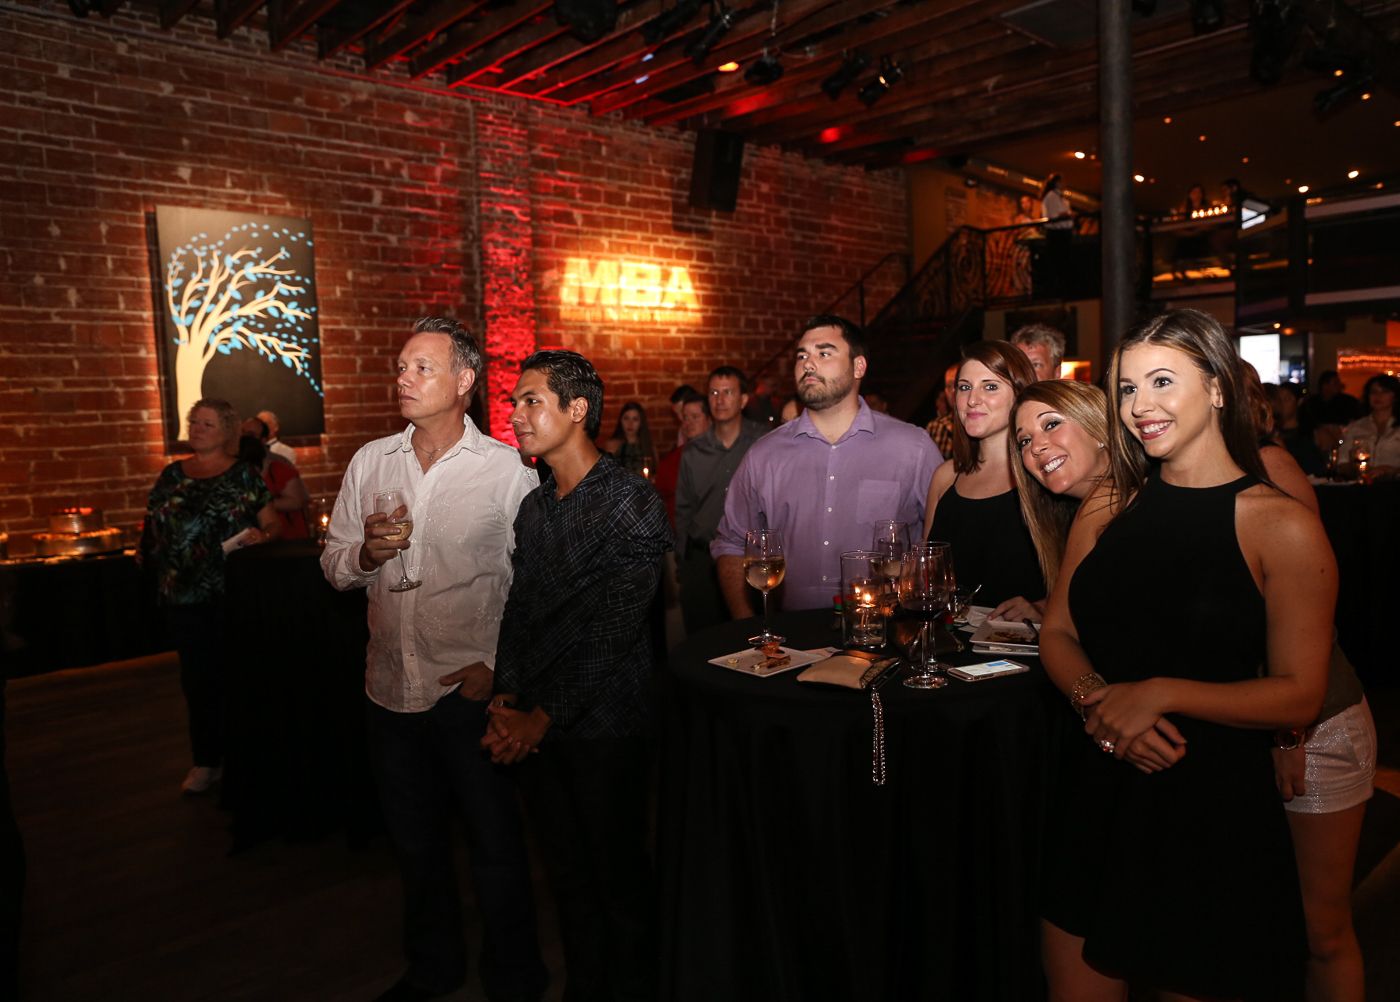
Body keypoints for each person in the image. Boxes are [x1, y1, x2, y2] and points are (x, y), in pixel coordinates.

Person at [1038, 308, 1336, 1000]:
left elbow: (1301, 692)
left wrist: (1160, 693)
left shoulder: (1279, 524)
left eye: (1162, 382)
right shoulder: (1109, 503)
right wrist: (1098, 705)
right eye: (1127, 389)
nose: (1140, 406)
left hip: (1208, 805)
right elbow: (1058, 632)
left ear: (1218, 388)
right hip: (1099, 786)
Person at [320, 317, 546, 1002]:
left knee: (495, 846)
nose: (404, 378)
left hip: (468, 693)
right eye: (401, 367)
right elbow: (333, 564)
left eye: (422, 367)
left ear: (464, 380)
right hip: (389, 690)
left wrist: (501, 672)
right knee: (415, 849)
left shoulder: (507, 470)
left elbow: (535, 588)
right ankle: (433, 970)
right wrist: (365, 555)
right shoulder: (371, 462)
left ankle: (514, 976)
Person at [483, 349, 672, 1002]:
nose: (515, 414)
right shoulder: (535, 509)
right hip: (539, 726)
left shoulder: (630, 501)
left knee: (618, 880)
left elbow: (615, 633)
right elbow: (520, 608)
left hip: (607, 727)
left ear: (577, 409)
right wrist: (506, 696)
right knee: (566, 878)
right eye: (514, 402)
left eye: (530, 400)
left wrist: (540, 717)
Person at [1244, 367, 1376, 1002]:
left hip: (1314, 726)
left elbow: (1305, 610)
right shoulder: (1172, 484)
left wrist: (1289, 734)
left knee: (1321, 929)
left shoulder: (1267, 465)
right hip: (1243, 729)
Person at [712, 315, 941, 614]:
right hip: (791, 636)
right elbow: (731, 543)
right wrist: (746, 625)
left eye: (824, 353)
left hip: (886, 629)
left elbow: (942, 542)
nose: (808, 364)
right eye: (802, 356)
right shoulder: (764, 455)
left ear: (858, 367)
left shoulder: (913, 448)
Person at [141, 398, 279, 794]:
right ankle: (205, 760)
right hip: (182, 594)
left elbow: (272, 524)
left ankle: (244, 760)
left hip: (230, 593)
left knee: (236, 678)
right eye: (194, 422)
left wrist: (261, 536)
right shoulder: (171, 474)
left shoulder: (243, 474)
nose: (197, 429)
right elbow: (152, 526)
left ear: (227, 432)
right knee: (196, 681)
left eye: (207, 424)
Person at [923, 341, 1043, 619]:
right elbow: (927, 573)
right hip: (947, 637)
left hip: (1020, 641)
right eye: (964, 387)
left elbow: (1084, 578)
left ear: (1019, 394)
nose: (972, 400)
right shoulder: (945, 477)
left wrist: (1043, 607)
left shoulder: (1043, 475)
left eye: (990, 387)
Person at [675, 367, 766, 634]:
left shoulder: (764, 443)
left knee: (751, 637)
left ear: (743, 399)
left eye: (728, 392)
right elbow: (683, 511)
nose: (720, 399)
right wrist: (683, 564)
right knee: (703, 641)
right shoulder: (693, 451)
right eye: (714, 393)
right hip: (702, 561)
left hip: (750, 559)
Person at [1009, 380, 1110, 591]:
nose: (1036, 447)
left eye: (1051, 424)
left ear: (1097, 427)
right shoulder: (1071, 517)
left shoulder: (1108, 501)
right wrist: (1042, 605)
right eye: (1025, 441)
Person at [239, 418, 310, 538]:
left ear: (263, 440)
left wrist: (256, 503)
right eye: (242, 433)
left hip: (286, 538)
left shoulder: (278, 464)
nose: (244, 438)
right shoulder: (235, 463)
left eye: (250, 435)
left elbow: (297, 501)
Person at [654, 390, 709, 526]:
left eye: (695, 417)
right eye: (685, 418)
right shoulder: (672, 460)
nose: (688, 423)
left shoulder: (721, 455)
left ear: (710, 419)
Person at [1339, 373, 1400, 475]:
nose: (1378, 396)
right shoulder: (1356, 427)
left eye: (1384, 391)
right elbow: (1342, 462)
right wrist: (1357, 469)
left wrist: (1389, 470)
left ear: (1395, 396)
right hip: (1361, 482)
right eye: (1373, 392)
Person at [1299, 370, 1361, 450]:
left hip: (1344, 439)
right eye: (1335, 383)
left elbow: (1356, 420)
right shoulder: (1312, 403)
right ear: (1325, 385)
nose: (1339, 385)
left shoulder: (1349, 401)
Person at [603, 401, 658, 478]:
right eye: (626, 418)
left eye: (635, 419)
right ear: (621, 420)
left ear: (641, 422)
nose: (630, 423)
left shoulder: (648, 446)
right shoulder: (612, 446)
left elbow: (655, 474)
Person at [1040, 173, 1073, 297]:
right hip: (1057, 234)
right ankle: (1057, 291)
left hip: (1063, 232)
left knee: (1063, 263)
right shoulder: (1051, 197)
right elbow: (1054, 216)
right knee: (1058, 263)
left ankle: (1063, 289)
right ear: (1056, 183)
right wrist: (1065, 215)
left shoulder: (1061, 197)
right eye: (1061, 181)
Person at [923, 361, 959, 457]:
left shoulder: (982, 425)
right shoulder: (935, 427)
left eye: (958, 384)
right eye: (949, 386)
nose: (953, 391)